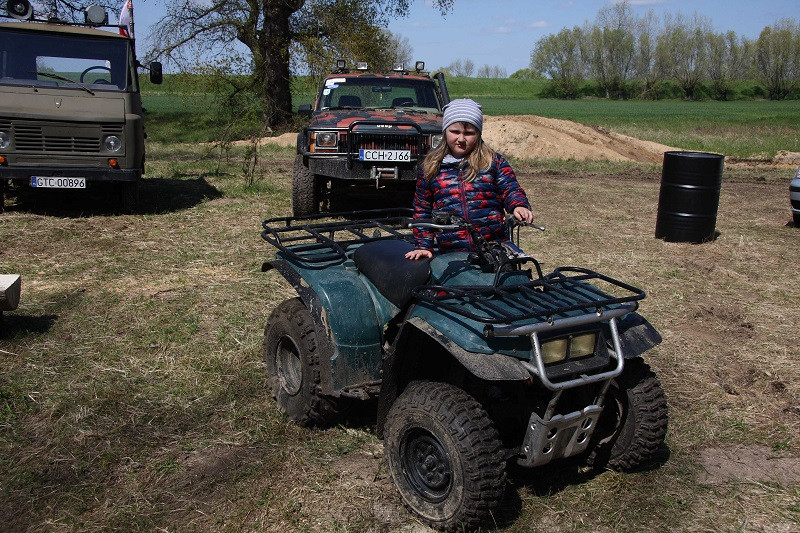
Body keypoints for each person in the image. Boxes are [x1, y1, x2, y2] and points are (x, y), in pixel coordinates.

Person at [405, 98, 533, 260]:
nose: (461, 139)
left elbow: (510, 188)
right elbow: (422, 210)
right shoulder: (430, 166)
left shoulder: (492, 162)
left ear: (478, 134)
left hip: (494, 248)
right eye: (455, 132)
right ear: (445, 131)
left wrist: (518, 205)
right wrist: (423, 245)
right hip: (451, 253)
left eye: (469, 133)